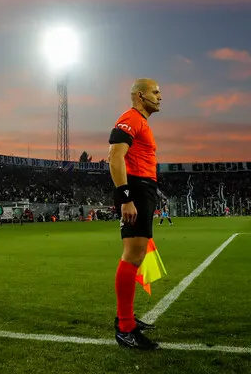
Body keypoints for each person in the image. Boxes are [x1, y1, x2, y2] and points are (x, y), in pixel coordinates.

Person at [109, 78, 162, 350]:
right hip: (136, 189)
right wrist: (126, 198)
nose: (160, 96)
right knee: (132, 255)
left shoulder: (142, 122)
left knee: (137, 255)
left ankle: (126, 318)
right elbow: (114, 157)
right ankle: (125, 328)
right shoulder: (130, 118)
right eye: (155, 92)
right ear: (140, 95)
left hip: (144, 188)